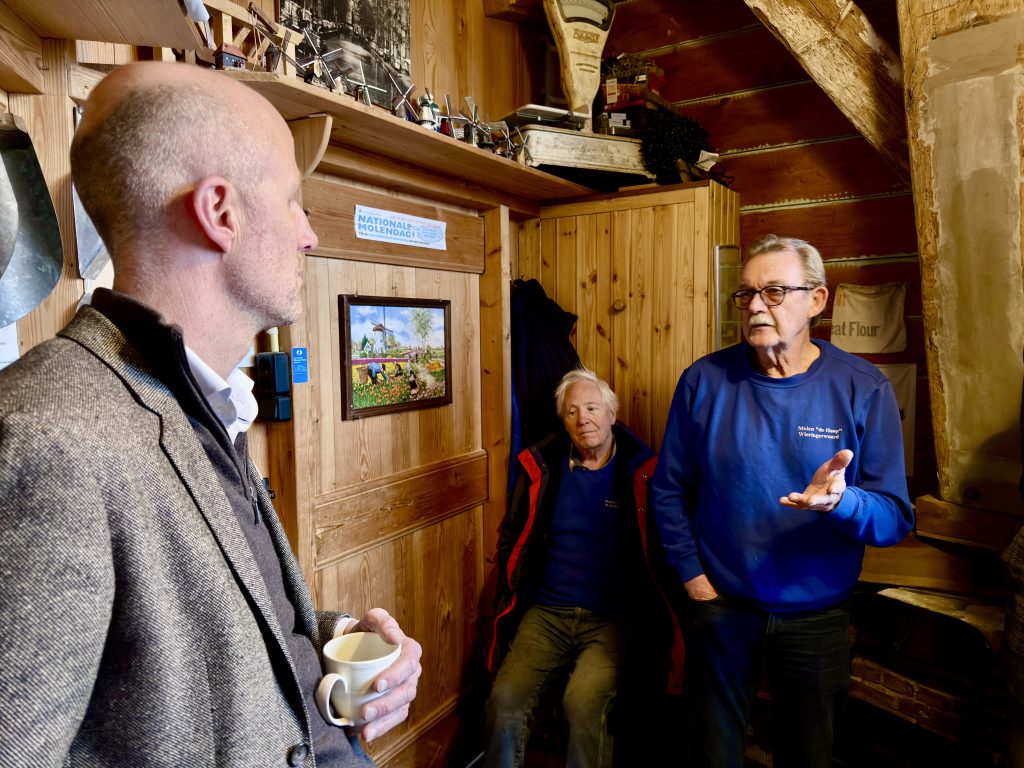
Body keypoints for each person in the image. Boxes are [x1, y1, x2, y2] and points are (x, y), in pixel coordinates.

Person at [0, 62, 421, 767]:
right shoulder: (50, 434)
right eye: (293, 201)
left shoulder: (198, 399)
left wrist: (335, 637)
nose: (309, 235)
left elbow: (207, 637)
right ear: (220, 212)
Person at [650, 234, 914, 768]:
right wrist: (691, 575)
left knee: (808, 755)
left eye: (774, 292)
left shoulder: (863, 387)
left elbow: (894, 518)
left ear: (816, 300)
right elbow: (669, 489)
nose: (754, 307)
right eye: (745, 294)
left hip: (816, 618)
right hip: (722, 607)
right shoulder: (704, 381)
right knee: (711, 752)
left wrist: (842, 503)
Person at [485, 368, 683, 768]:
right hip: (547, 615)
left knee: (582, 704)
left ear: (612, 413)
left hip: (611, 621)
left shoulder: (644, 475)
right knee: (504, 701)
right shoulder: (544, 471)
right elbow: (514, 543)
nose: (583, 419)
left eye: (592, 408)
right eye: (572, 411)